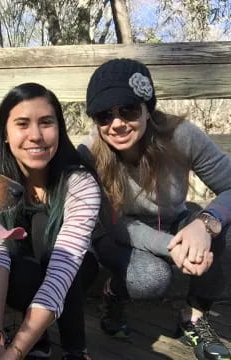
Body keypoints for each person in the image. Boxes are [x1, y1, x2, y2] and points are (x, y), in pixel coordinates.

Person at [80, 58, 231, 360]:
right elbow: (115, 224)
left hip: (174, 221)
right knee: (152, 277)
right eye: (104, 116)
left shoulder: (182, 136)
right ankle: (114, 294)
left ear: (148, 107)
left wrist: (205, 222)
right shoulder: (89, 153)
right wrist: (172, 247)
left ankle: (195, 315)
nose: (117, 123)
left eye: (128, 109)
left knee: (227, 232)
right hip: (116, 234)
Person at [0, 83, 101, 360]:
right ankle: (38, 338)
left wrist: (14, 352)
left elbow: (61, 272)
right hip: (20, 273)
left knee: (49, 245)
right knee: (21, 270)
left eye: (46, 123)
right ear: (6, 134)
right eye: (22, 124)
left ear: (59, 128)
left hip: (74, 269)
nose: (36, 136)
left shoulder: (79, 183)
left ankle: (75, 349)